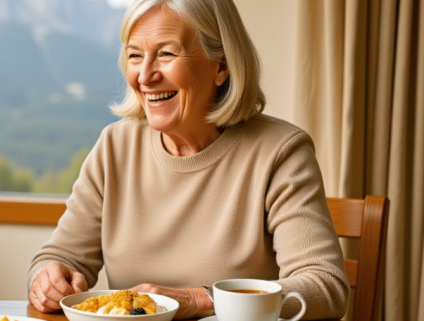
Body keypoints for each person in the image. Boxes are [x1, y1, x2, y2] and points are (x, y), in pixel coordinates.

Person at [27, 0, 349, 320]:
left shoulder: (280, 153)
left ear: (221, 66)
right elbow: (58, 257)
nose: (145, 76)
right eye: (135, 56)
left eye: (166, 54)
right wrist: (49, 279)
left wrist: (202, 300)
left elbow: (325, 287)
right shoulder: (115, 147)